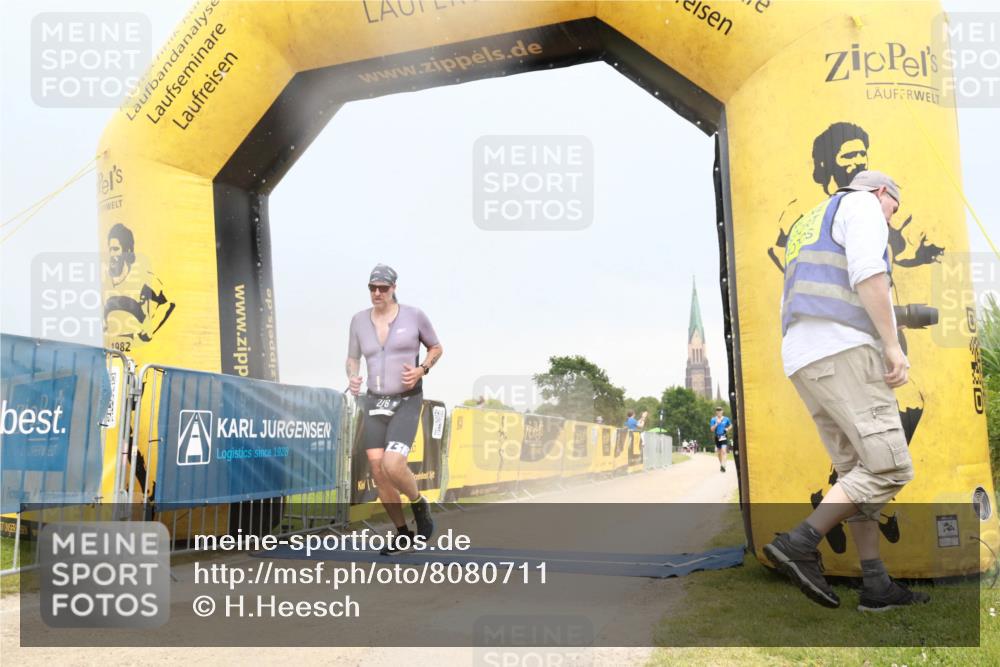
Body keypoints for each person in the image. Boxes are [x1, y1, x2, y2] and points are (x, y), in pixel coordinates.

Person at [764, 170, 928, 612]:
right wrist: (892, 345)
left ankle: (876, 585)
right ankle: (800, 543)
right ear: (881, 193)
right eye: (892, 209)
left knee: (855, 473)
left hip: (804, 357)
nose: (890, 220)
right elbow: (869, 272)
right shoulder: (862, 206)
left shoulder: (810, 221)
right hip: (844, 352)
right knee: (889, 469)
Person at [346, 264, 443, 555]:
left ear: (394, 288)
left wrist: (422, 369)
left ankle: (418, 502)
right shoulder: (358, 321)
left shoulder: (414, 315)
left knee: (392, 464)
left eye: (383, 288)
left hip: (406, 400)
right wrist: (352, 376)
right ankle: (402, 533)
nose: (377, 293)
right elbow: (352, 358)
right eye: (372, 288)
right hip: (374, 400)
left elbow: (436, 348)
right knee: (378, 471)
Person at [103, 223, 175, 347]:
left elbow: (168, 303)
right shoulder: (106, 281)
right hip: (114, 356)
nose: (112, 255)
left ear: (127, 251)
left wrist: (150, 328)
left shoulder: (143, 278)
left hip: (141, 356)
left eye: (116, 249)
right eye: (110, 249)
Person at [709, 406, 732, 473]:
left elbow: (731, 425)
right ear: (716, 412)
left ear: (722, 411)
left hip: (723, 436)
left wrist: (727, 429)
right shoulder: (713, 419)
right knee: (719, 453)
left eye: (720, 410)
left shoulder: (726, 419)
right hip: (717, 437)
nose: (719, 412)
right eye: (717, 411)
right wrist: (716, 424)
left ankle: (723, 465)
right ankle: (721, 464)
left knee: (724, 451)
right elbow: (712, 429)